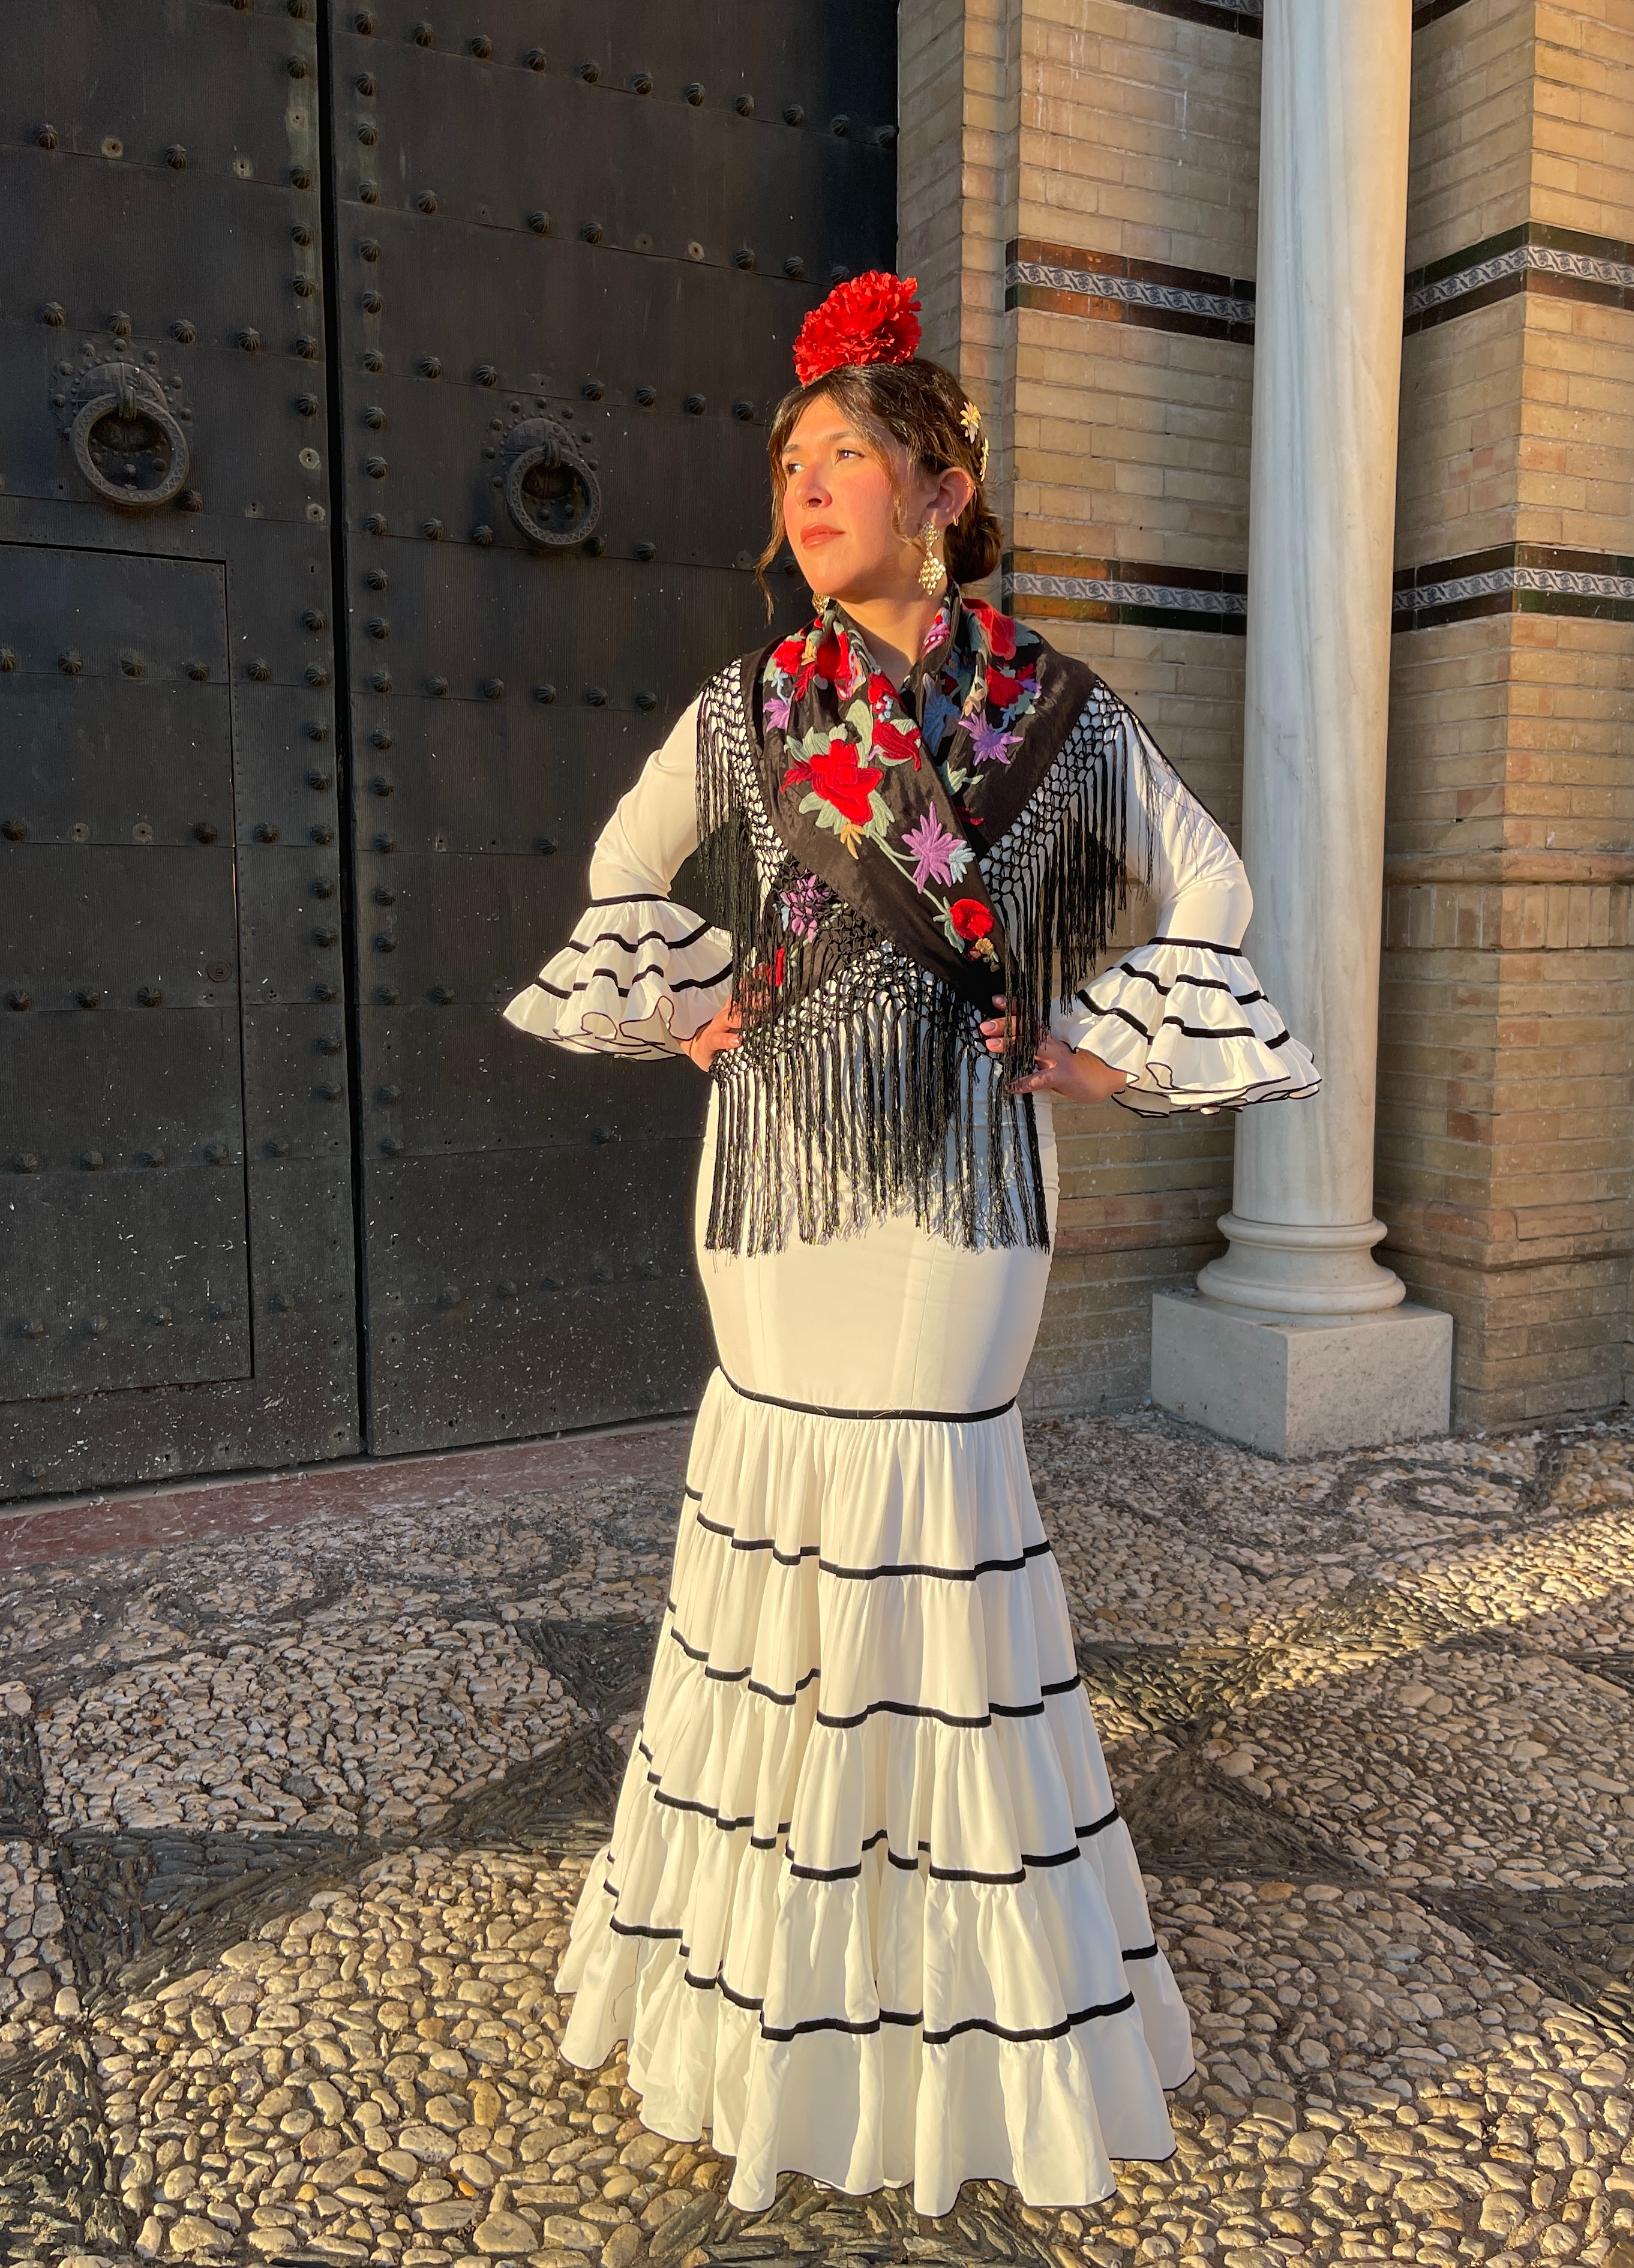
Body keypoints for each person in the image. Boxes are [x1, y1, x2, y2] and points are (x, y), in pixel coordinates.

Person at [501, 270, 1319, 2219]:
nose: (804, 487)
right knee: (779, 1519)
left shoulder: (1053, 708)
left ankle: (965, 2002)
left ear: (940, 482)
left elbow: (1207, 880)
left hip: (960, 1192)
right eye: (787, 462)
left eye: (842, 456)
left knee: (936, 1536)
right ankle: (765, 1990)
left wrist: (1101, 1051)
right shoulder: (751, 705)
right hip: (771, 1189)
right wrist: (693, 1006)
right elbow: (626, 858)